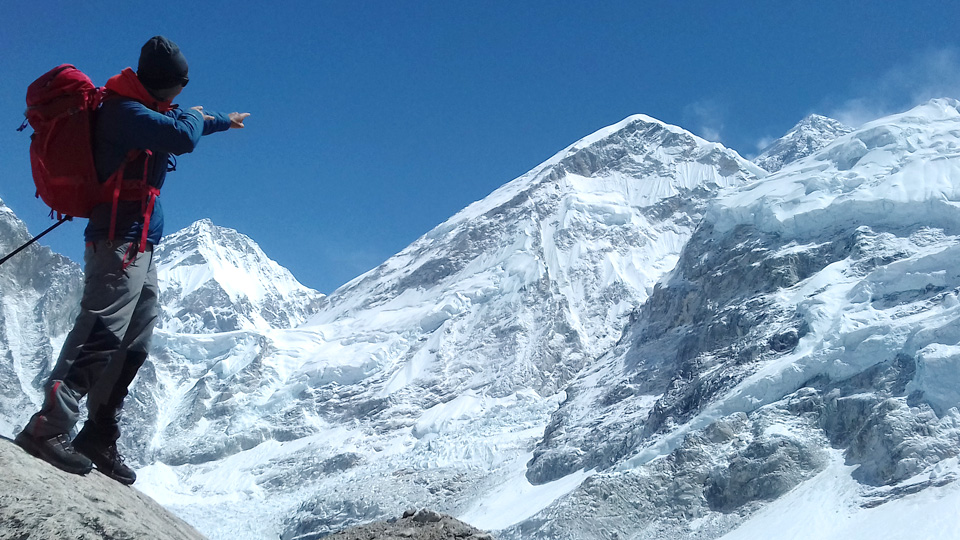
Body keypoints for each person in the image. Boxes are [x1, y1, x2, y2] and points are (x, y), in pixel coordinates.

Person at [15, 36, 250, 485]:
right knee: (100, 329)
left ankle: (97, 435)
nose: (181, 94)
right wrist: (200, 117)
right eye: (179, 85)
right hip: (118, 240)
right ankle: (46, 429)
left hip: (139, 241)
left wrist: (223, 120)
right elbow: (183, 135)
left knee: (133, 342)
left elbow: (189, 121)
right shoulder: (123, 112)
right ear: (166, 84)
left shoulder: (147, 110)